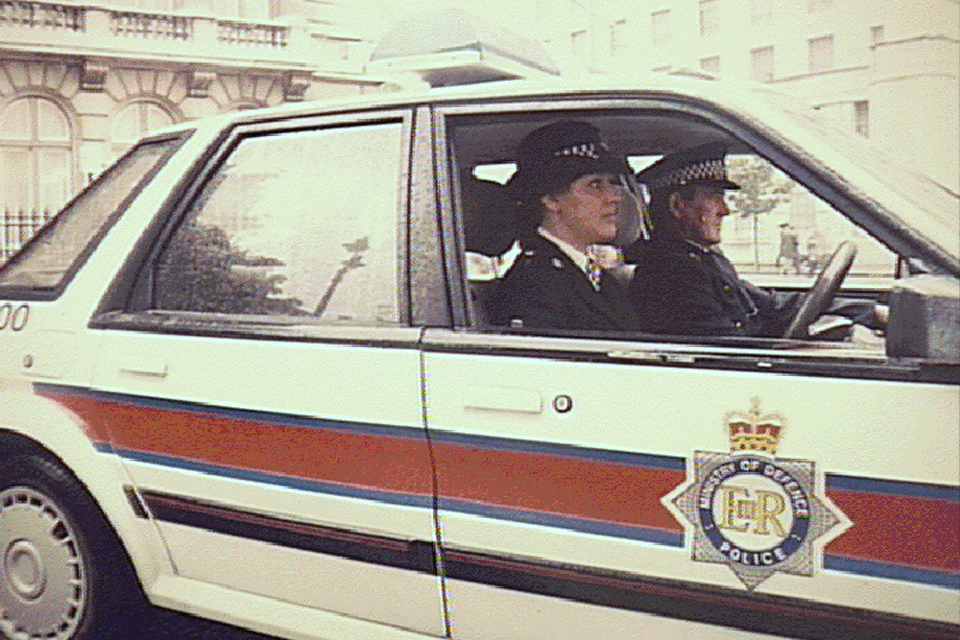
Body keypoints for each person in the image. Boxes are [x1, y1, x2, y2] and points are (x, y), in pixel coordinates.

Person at [622, 142, 878, 338]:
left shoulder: (701, 257)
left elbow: (772, 304)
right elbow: (726, 352)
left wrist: (871, 312)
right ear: (677, 205)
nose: (726, 210)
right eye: (714, 197)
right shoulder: (669, 274)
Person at [489, 120, 642, 332]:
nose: (614, 197)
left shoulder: (593, 277)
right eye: (595, 185)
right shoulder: (534, 286)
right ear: (551, 199)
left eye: (613, 183)